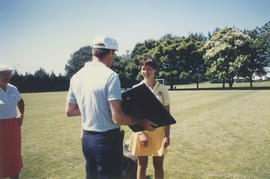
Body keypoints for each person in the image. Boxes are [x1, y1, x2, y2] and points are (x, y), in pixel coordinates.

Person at [65, 35, 156, 179]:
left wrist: (94, 108)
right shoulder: (111, 76)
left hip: (87, 140)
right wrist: (140, 121)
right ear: (110, 53)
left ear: (94, 51)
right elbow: (118, 117)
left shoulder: (76, 77)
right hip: (106, 141)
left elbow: (70, 111)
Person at [128, 57, 171, 179]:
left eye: (148, 69)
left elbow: (167, 115)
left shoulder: (162, 89)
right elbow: (133, 114)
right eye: (143, 69)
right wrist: (141, 133)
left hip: (158, 133)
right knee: (141, 165)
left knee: (158, 166)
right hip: (141, 132)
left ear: (155, 70)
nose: (146, 72)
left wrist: (167, 136)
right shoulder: (136, 88)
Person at [0, 65, 25, 179]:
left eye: (9, 74)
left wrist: (21, 115)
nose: (7, 76)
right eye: (4, 74)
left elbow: (21, 102)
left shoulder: (13, 88)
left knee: (14, 159)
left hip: (13, 129)